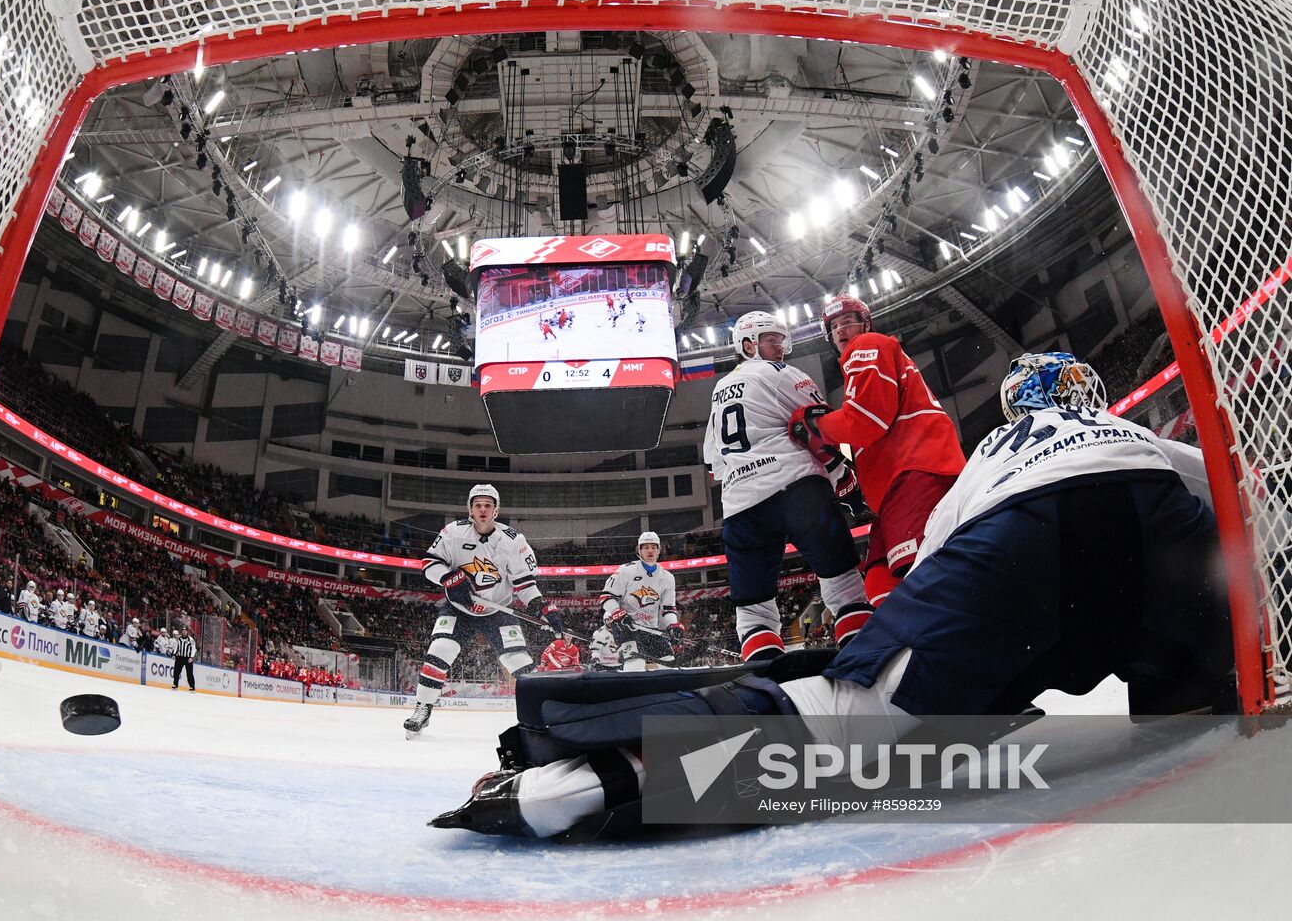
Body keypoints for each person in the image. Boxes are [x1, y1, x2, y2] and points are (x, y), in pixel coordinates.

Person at [432, 351, 1235, 839]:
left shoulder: (996, 449)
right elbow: (1230, 501)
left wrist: (908, 668)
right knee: (1192, 672)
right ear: (1087, 398)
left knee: (844, 718)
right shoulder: (1135, 436)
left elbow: (945, 560)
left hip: (1011, 540)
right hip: (1159, 532)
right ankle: (1192, 700)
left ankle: (571, 786)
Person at [788, 295, 966, 645]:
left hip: (915, 471)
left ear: (866, 324)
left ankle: (948, 657)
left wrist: (814, 425)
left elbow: (868, 419)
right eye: (834, 326)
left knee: (920, 575)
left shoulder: (867, 345)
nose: (841, 330)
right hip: (902, 483)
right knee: (879, 575)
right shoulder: (876, 352)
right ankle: (891, 648)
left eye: (849, 321)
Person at [702, 311, 866, 661]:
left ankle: (766, 686)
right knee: (843, 582)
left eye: (780, 339)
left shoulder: (718, 390)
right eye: (770, 339)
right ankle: (866, 658)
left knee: (753, 609)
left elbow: (712, 462)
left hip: (741, 504)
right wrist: (843, 477)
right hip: (797, 488)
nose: (780, 346)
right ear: (748, 345)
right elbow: (818, 425)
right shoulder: (781, 373)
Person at [405, 484, 564, 737]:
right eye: (477, 505)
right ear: (470, 509)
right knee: (440, 650)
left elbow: (524, 583)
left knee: (519, 662)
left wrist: (542, 607)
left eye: (487, 505)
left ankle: (541, 714)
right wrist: (449, 578)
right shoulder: (453, 532)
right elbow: (429, 563)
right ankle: (422, 709)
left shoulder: (514, 541)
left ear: (496, 510)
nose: (482, 510)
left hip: (498, 609)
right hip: (458, 608)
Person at [599, 532, 683, 666]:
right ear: (639, 550)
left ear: (659, 550)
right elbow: (606, 597)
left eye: (654, 547)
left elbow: (668, 609)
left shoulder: (667, 578)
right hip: (626, 627)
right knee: (635, 664)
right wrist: (616, 612)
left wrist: (672, 625)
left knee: (668, 665)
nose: (650, 550)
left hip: (652, 629)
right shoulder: (625, 570)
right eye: (645, 547)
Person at [172, 626, 197, 691]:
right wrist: (174, 654)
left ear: (187, 631)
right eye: (183, 630)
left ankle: (192, 686)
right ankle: (175, 684)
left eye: (185, 630)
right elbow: (176, 647)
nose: (184, 632)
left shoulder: (191, 639)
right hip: (179, 657)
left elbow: (193, 649)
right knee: (176, 671)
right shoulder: (179, 638)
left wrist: (191, 657)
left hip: (188, 658)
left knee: (189, 673)